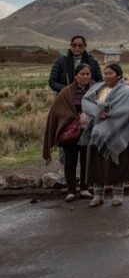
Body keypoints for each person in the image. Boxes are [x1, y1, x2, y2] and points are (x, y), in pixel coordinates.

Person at [80, 64, 129, 207]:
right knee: (97, 165)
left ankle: (117, 194)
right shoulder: (100, 88)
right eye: (105, 73)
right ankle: (98, 195)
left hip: (118, 131)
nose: (107, 76)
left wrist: (111, 115)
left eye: (110, 73)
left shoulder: (126, 91)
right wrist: (98, 111)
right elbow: (86, 101)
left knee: (117, 164)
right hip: (98, 134)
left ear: (119, 75)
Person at [43, 63, 94, 202]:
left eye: (87, 74)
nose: (85, 77)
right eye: (82, 74)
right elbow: (56, 111)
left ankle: (84, 188)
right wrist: (72, 118)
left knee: (87, 161)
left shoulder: (96, 90)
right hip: (70, 134)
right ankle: (71, 190)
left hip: (89, 133)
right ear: (76, 76)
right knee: (70, 161)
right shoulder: (66, 92)